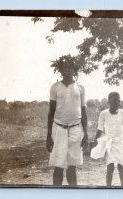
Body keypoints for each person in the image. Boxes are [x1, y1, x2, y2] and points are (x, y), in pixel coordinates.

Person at [46, 57, 88, 186]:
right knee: (58, 166)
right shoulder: (55, 87)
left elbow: (83, 111)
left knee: (72, 167)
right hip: (59, 129)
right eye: (65, 67)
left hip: (76, 129)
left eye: (70, 67)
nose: (68, 70)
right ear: (60, 70)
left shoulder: (80, 87)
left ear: (74, 69)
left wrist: (85, 133)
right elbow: (51, 113)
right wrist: (48, 136)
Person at [93, 92, 123, 187]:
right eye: (114, 101)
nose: (117, 103)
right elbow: (100, 129)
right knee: (110, 168)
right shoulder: (103, 114)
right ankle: (108, 189)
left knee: (121, 168)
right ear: (109, 102)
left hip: (121, 143)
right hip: (109, 143)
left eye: (118, 101)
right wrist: (95, 142)